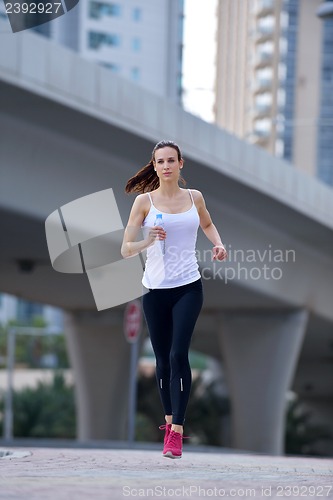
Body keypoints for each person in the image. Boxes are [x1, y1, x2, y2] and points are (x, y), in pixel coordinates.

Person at [121, 140, 227, 459]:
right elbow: (125, 248)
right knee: (163, 361)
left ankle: (177, 432)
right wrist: (147, 240)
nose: (166, 165)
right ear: (154, 166)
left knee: (180, 353)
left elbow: (206, 223)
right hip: (154, 291)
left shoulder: (195, 197)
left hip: (188, 287)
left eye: (171, 160)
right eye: (160, 161)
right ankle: (168, 423)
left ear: (181, 164)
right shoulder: (143, 202)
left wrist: (218, 244)